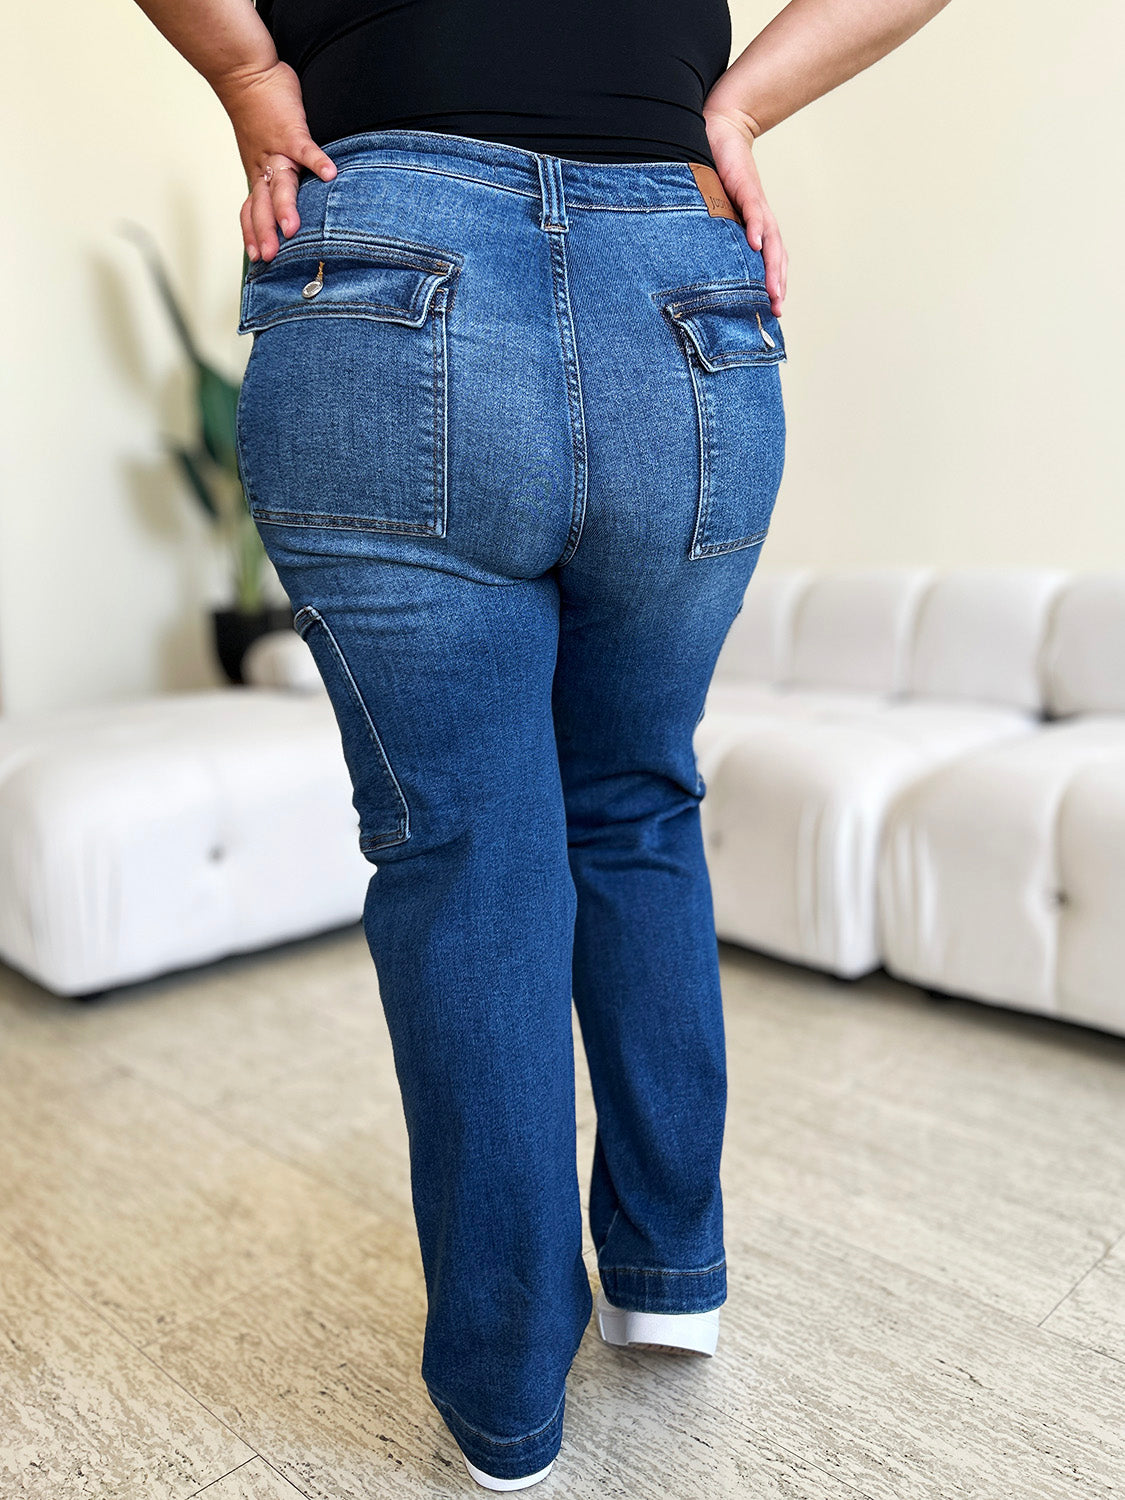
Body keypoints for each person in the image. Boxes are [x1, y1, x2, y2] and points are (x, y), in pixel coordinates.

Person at [131, 0, 951, 1488]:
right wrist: (742, 105)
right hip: (674, 289)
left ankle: (511, 1393)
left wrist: (251, 70)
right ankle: (668, 1275)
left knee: (467, 858)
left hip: (386, 258)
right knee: (634, 806)